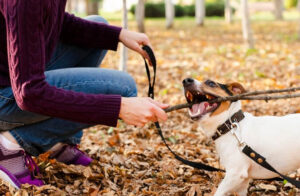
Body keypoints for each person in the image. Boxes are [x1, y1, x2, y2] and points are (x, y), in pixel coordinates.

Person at [0, 0, 168, 189]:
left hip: (14, 78)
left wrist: (119, 35)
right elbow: (29, 93)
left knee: (99, 26)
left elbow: (55, 21)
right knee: (122, 88)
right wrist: (118, 107)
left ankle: (58, 142)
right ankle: (9, 146)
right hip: (7, 95)